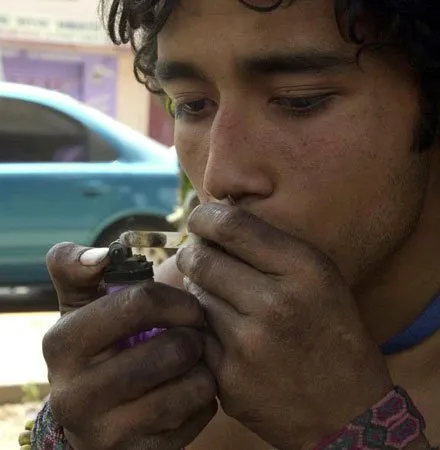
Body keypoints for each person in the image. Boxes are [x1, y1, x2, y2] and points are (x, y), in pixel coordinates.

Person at [26, 1, 440, 449]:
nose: (219, 176)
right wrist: (70, 434)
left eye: (299, 100)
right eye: (191, 105)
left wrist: (359, 435)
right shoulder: (168, 339)